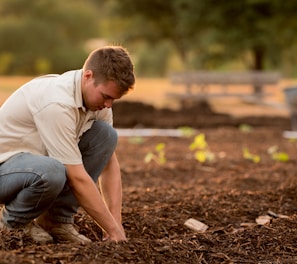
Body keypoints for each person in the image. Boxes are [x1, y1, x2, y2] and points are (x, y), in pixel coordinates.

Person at [0, 45, 135, 244]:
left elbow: (108, 162)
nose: (108, 105)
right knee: (52, 171)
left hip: (32, 166)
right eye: (106, 96)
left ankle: (56, 221)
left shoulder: (98, 103)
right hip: (5, 171)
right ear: (88, 76)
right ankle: (13, 224)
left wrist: (115, 224)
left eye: (113, 99)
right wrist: (112, 230)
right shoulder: (58, 103)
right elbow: (77, 178)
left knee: (106, 136)